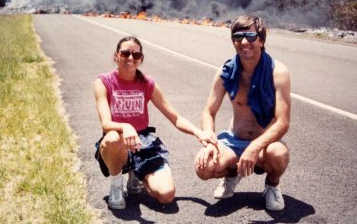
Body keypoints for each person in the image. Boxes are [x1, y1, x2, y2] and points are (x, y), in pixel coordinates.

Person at [94, 36, 215, 210]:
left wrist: (199, 132)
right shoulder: (103, 82)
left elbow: (175, 117)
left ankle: (137, 173)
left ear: (141, 59)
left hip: (142, 142)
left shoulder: (147, 83)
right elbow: (106, 124)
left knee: (166, 196)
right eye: (125, 53)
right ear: (116, 56)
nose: (130, 58)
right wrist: (126, 126)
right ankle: (116, 184)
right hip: (117, 141)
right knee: (113, 138)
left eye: (135, 55)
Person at [194, 14, 291, 211]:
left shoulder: (277, 72)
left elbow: (283, 122)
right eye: (238, 37)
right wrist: (210, 141)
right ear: (233, 41)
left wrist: (254, 147)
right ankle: (231, 176)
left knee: (279, 154)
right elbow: (208, 112)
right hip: (234, 140)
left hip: (265, 143)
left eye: (251, 36)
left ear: (261, 40)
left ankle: (272, 186)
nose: (244, 42)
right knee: (203, 167)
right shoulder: (226, 71)